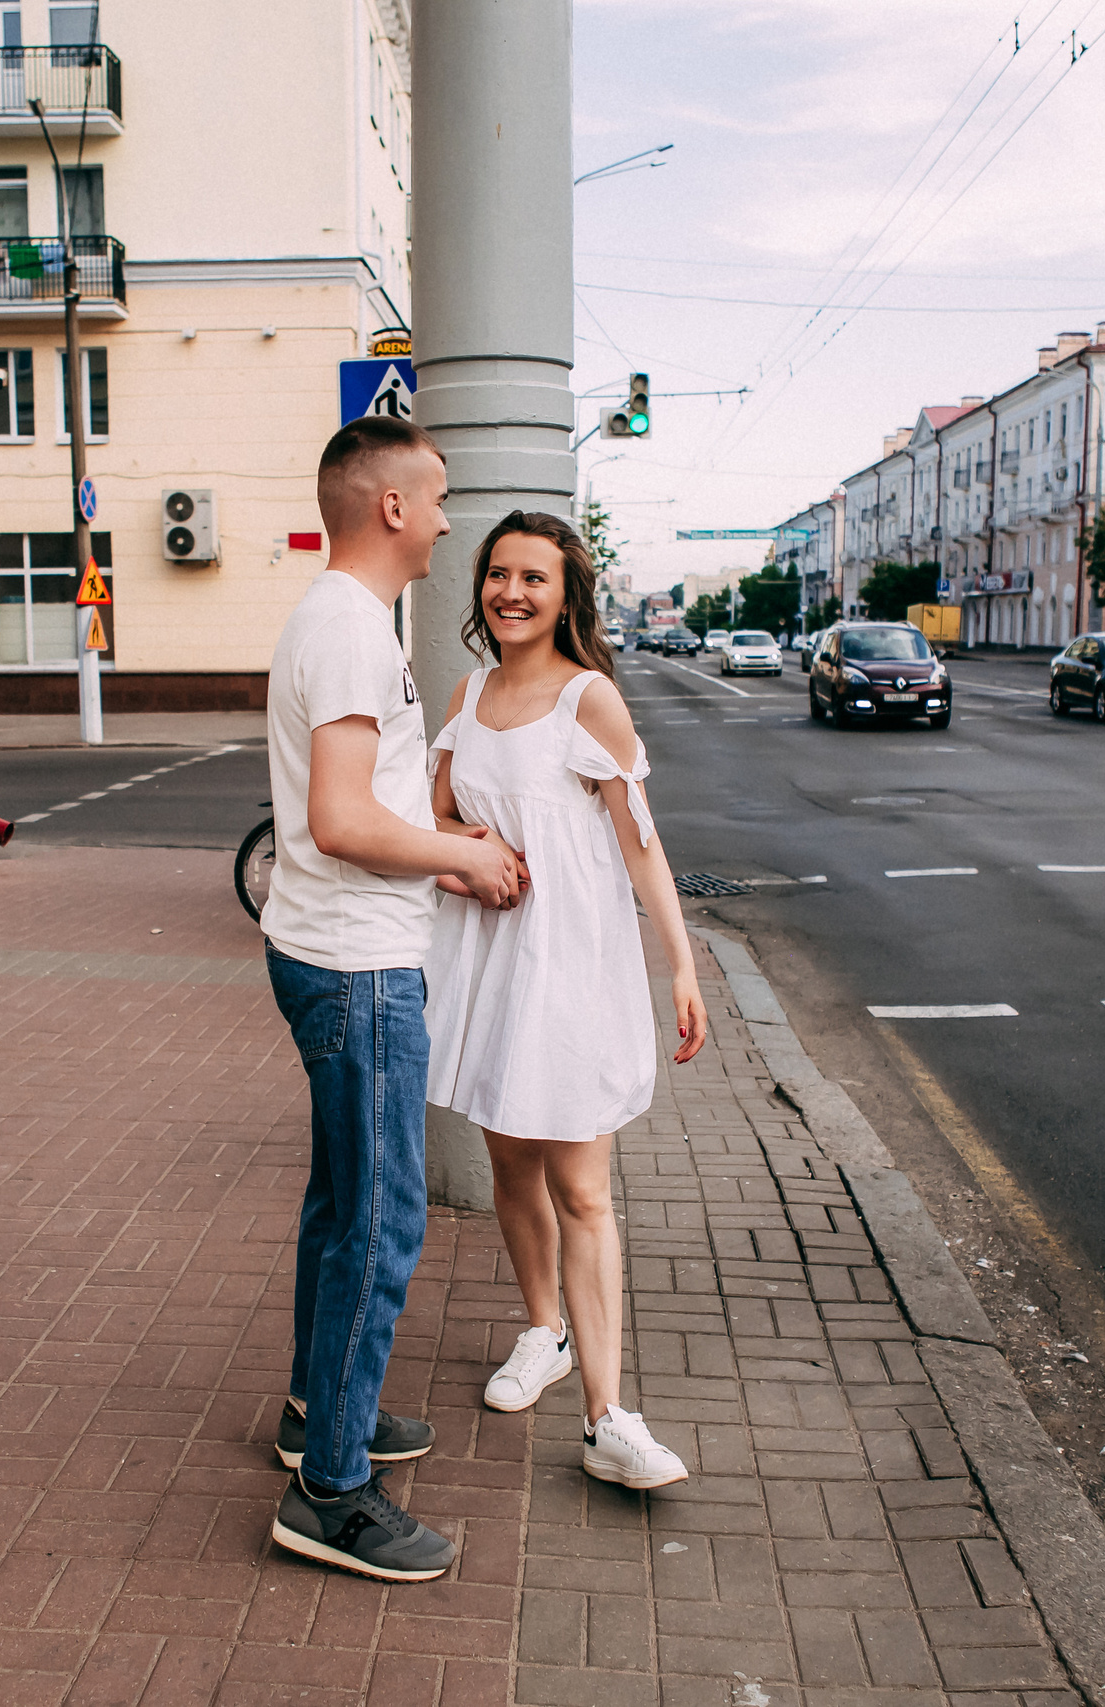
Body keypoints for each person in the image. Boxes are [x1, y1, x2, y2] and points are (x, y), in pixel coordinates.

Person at [260, 415, 528, 1583]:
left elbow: (364, 800)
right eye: (440, 497)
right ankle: (331, 1496)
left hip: (330, 948)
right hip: (359, 966)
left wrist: (440, 829)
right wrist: (460, 859)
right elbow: (339, 820)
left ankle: (322, 1413)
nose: (450, 518)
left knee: (340, 1208)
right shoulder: (349, 631)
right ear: (391, 509)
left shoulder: (343, 622)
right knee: (380, 1224)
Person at [425, 511, 711, 1492]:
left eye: (532, 578)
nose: (510, 592)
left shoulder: (589, 701)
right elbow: (439, 816)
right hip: (494, 960)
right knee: (508, 1160)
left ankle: (608, 1417)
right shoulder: (466, 695)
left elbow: (641, 844)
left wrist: (678, 964)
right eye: (497, 575)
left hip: (575, 965)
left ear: (565, 595)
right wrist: (471, 859)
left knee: (583, 1188)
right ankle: (540, 1329)